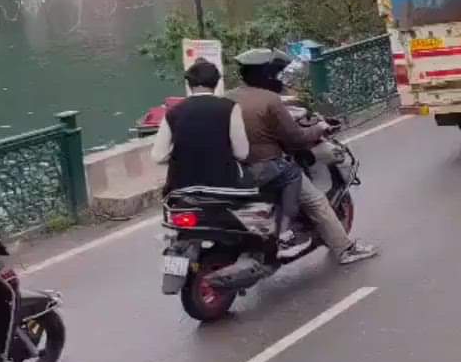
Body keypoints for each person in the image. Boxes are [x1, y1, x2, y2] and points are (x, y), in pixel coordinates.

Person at [231, 49, 379, 265]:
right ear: (267, 75)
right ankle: (345, 249)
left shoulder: (229, 97)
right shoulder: (270, 100)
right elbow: (295, 139)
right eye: (276, 74)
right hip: (268, 165)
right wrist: (319, 128)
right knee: (316, 201)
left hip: (236, 169)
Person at [151, 59, 251, 193]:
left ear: (189, 83)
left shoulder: (173, 111)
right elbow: (242, 153)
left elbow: (159, 156)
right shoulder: (230, 107)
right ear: (216, 83)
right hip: (223, 186)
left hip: (182, 188)